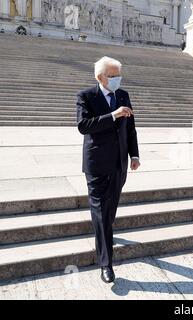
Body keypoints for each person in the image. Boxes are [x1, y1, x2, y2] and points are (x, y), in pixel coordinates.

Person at [76, 56, 140, 283]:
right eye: (113, 76)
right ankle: (106, 263)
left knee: (111, 206)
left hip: (119, 163)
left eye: (119, 75)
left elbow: (130, 128)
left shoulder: (123, 95)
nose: (117, 80)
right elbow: (84, 126)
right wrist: (113, 115)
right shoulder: (86, 96)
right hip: (97, 164)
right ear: (100, 77)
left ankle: (105, 232)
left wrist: (134, 154)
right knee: (102, 210)